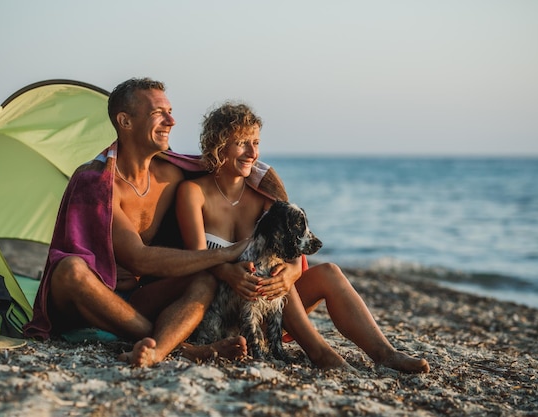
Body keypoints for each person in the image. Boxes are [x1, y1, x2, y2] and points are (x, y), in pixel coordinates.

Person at [175, 101, 430, 373]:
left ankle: (386, 354)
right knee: (253, 278)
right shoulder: (193, 192)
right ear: (219, 144)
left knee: (327, 272)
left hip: (265, 309)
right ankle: (319, 352)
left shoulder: (264, 198)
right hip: (217, 310)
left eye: (256, 142)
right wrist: (229, 273)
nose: (252, 152)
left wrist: (290, 274)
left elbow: (293, 250)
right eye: (242, 142)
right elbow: (197, 259)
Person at [24, 78, 253, 367]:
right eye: (159, 113)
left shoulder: (172, 176)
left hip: (137, 299)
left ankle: (157, 349)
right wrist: (224, 253)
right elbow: (138, 259)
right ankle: (181, 348)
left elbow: (232, 170)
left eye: (170, 111)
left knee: (204, 277)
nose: (171, 120)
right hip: (87, 299)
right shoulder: (97, 182)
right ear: (125, 121)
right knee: (69, 269)